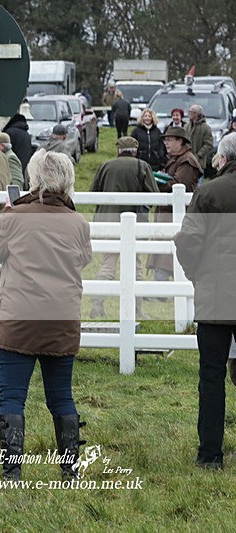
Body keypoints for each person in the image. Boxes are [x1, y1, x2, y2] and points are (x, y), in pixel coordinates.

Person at [0, 149, 92, 481]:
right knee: (61, 397)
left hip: (20, 318)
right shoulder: (78, 222)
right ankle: (70, 469)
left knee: (13, 395)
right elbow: (84, 259)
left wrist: (9, 212)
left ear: (34, 179)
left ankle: (12, 470)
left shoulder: (16, 216)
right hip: (61, 319)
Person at [173, 133, 236, 470]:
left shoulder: (209, 193)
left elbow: (188, 243)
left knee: (211, 378)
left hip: (216, 300)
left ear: (223, 159)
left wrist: (197, 275)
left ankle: (210, 455)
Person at [89, 136, 159, 319]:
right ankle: (136, 310)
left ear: (118, 149)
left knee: (107, 265)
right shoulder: (142, 166)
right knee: (136, 267)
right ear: (135, 150)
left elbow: (93, 192)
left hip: (107, 222)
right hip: (134, 224)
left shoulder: (106, 165)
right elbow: (153, 196)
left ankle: (97, 304)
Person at [146, 126, 202, 283]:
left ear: (180, 141)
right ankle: (160, 284)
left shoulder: (187, 161)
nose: (166, 143)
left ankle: (161, 285)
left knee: (168, 246)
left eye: (170, 139)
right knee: (162, 243)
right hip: (167, 210)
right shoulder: (176, 159)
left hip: (176, 213)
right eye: (165, 140)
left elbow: (179, 184)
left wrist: (158, 182)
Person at [185, 104, 214, 174]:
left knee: (198, 184)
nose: (189, 113)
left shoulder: (206, 128)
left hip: (199, 163)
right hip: (186, 161)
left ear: (197, 114)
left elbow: (209, 144)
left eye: (191, 112)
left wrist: (198, 156)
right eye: (189, 111)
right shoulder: (186, 126)